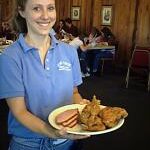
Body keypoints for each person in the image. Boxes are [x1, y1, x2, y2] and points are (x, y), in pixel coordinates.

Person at [0, 0, 90, 150]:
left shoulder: (69, 52)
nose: (45, 16)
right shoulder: (10, 57)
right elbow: (19, 111)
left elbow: (73, 92)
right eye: (36, 8)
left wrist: (82, 107)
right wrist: (52, 133)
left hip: (67, 142)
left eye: (50, 8)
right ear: (22, 11)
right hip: (28, 144)